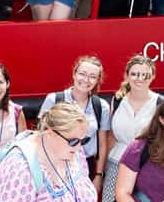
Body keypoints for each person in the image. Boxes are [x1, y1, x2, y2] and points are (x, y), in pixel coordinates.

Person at [39, 55, 112, 192]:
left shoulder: (101, 106)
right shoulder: (54, 100)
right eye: (82, 74)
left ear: (97, 81)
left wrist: (99, 175)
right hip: (57, 163)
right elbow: (41, 136)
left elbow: (102, 144)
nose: (86, 80)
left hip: (88, 166)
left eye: (92, 76)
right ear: (74, 74)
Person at [102, 55, 163, 202]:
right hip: (116, 162)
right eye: (135, 74)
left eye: (145, 75)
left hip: (147, 165)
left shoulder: (161, 103)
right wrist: (102, 171)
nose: (139, 79)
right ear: (127, 75)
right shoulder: (118, 100)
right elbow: (111, 136)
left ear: (153, 77)